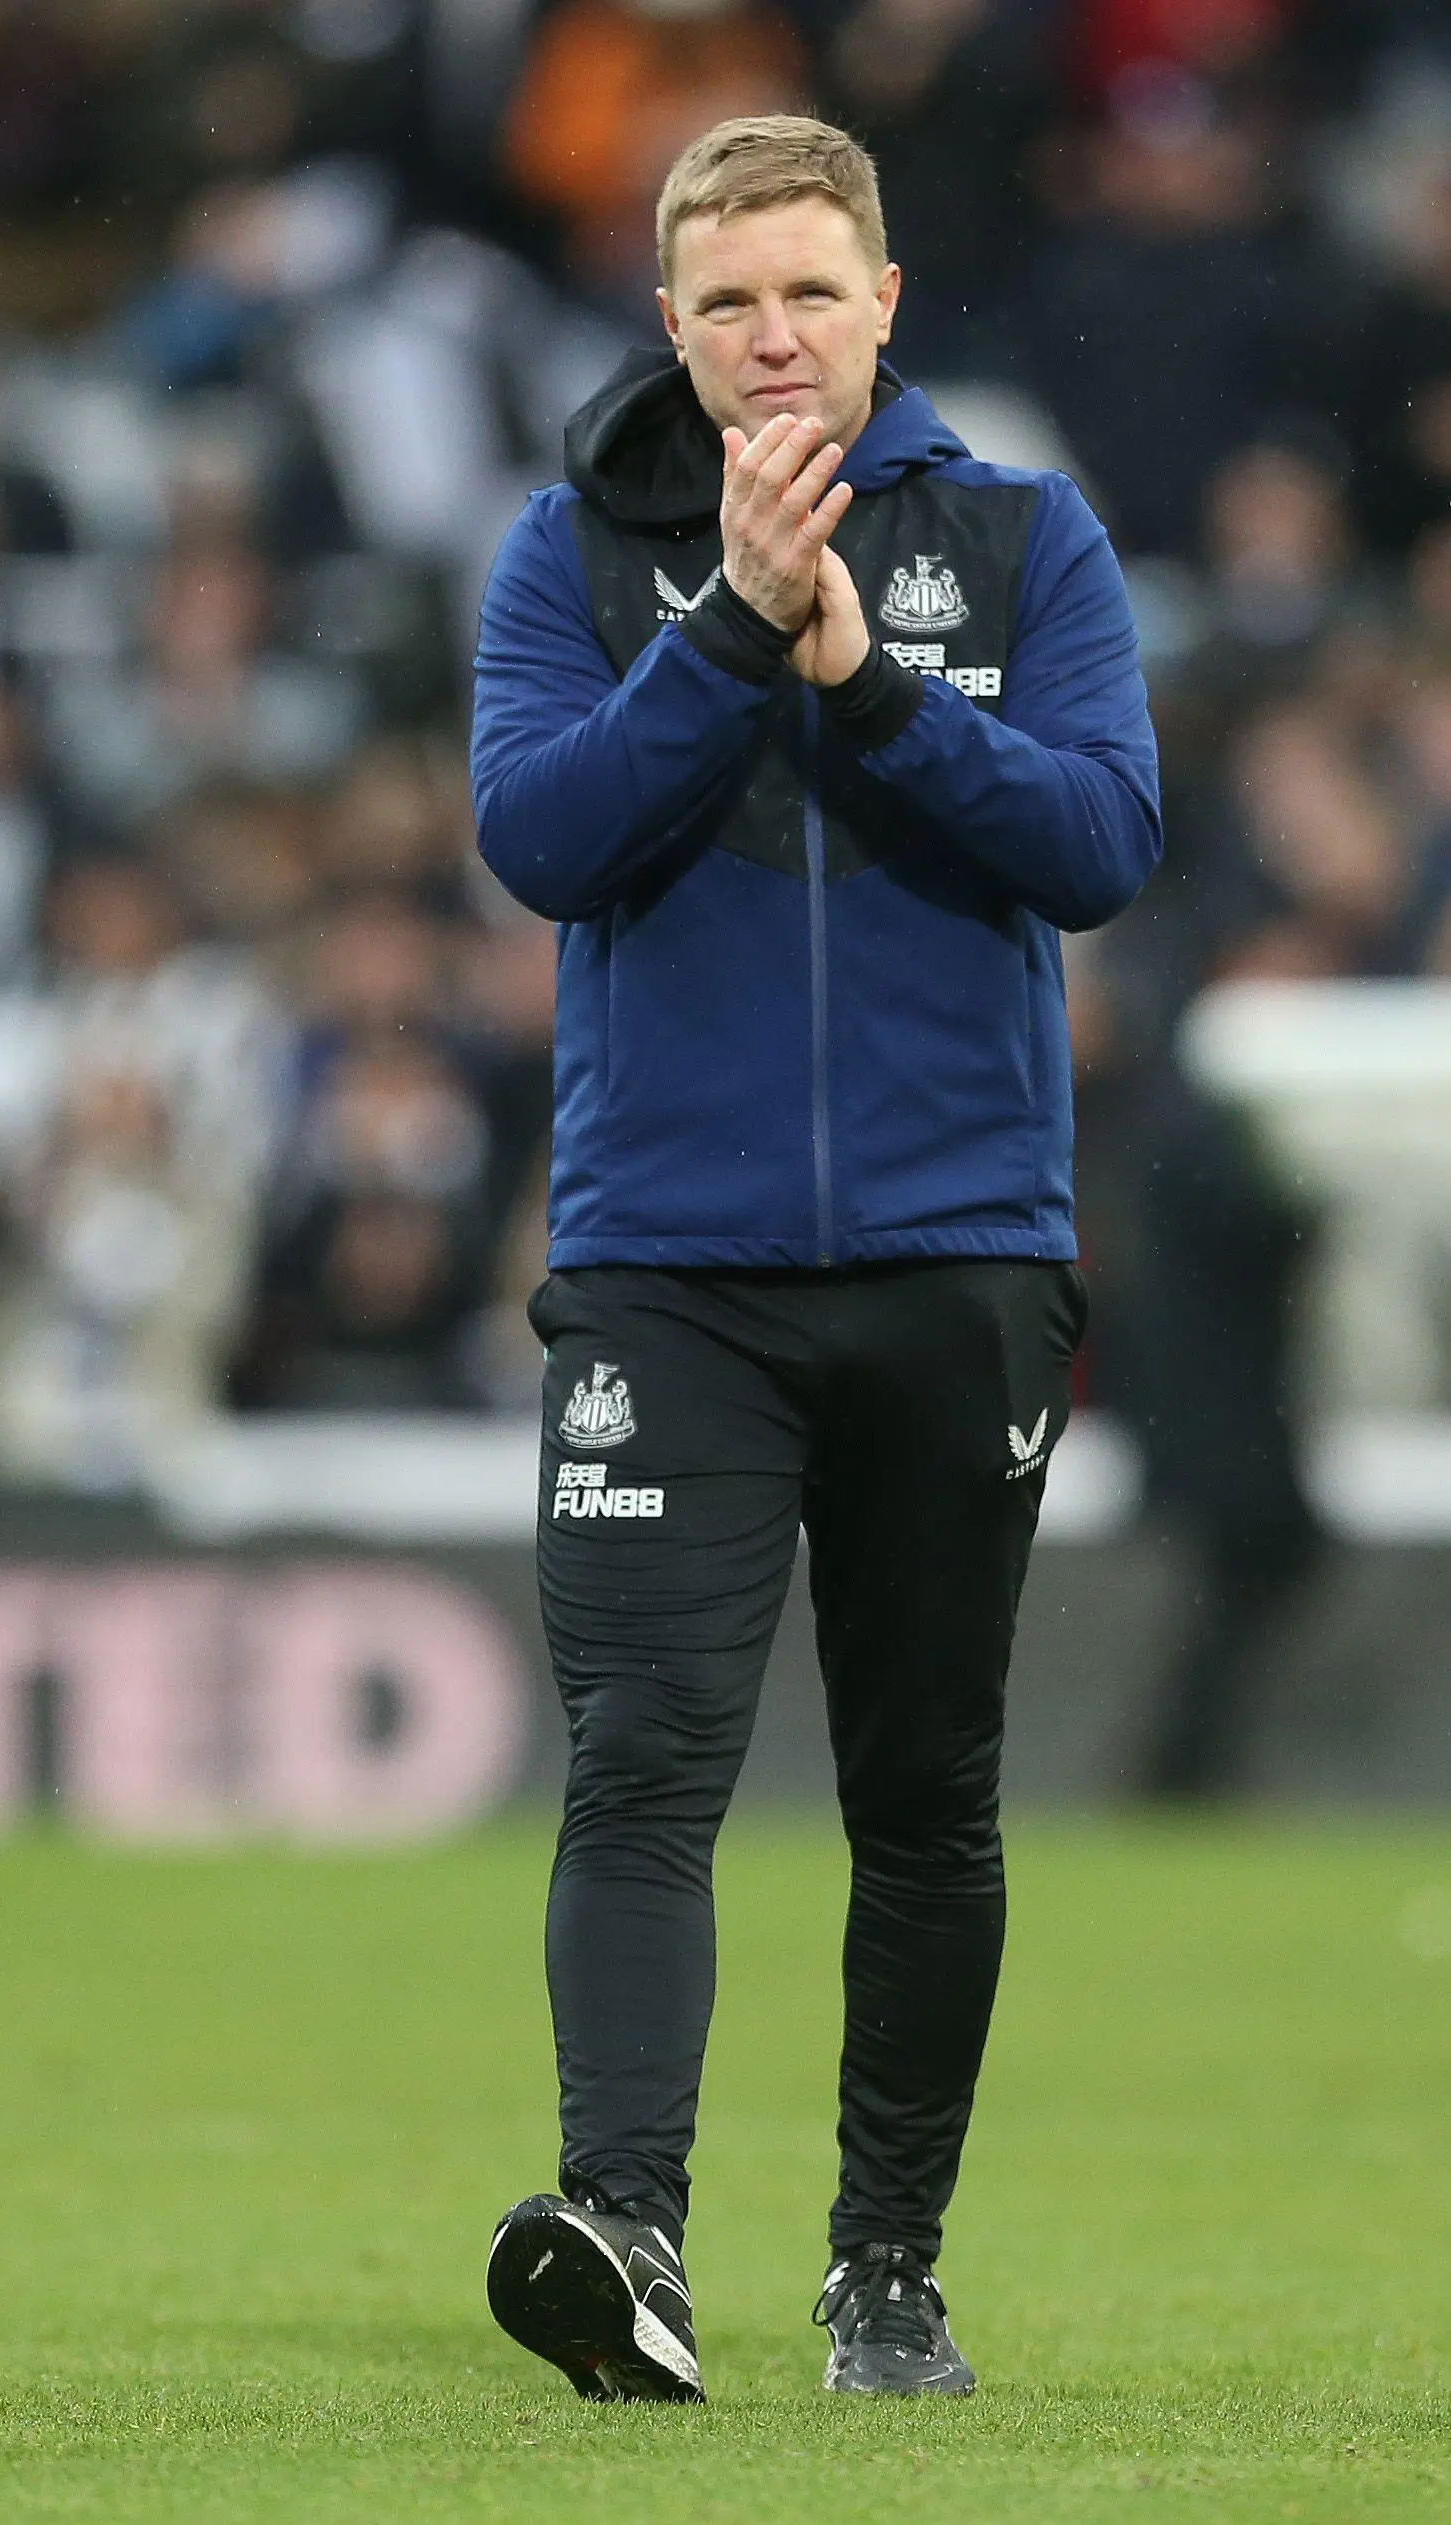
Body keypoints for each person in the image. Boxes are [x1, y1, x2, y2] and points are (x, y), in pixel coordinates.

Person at [471, 116, 1160, 2403]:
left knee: (924, 1787)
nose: (771, 336)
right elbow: (540, 840)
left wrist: (863, 677)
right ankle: (632, 2235)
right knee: (641, 1751)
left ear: (883, 308)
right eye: (726, 301)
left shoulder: (1023, 538)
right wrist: (727, 636)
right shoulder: (563, 552)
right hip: (664, 1267)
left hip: (957, 1263)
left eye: (808, 292)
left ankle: (884, 2269)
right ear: (664, 329)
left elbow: (1098, 843)